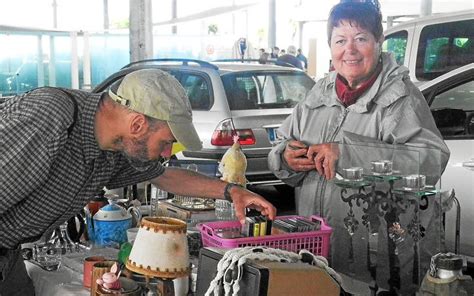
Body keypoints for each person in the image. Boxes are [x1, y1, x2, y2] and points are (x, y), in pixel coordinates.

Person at [0, 69, 276, 295]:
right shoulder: (52, 119)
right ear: (137, 125)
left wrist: (231, 191)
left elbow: (162, 175)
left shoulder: (111, 147)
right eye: (167, 142)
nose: (169, 152)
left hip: (9, 254)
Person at [268, 0, 449, 294]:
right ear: (330, 46)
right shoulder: (318, 95)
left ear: (378, 42)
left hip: (376, 261)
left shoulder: (400, 99)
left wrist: (349, 154)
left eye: (360, 39)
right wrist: (286, 157)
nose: (349, 50)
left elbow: (430, 162)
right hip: (315, 251)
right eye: (340, 40)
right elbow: (280, 149)